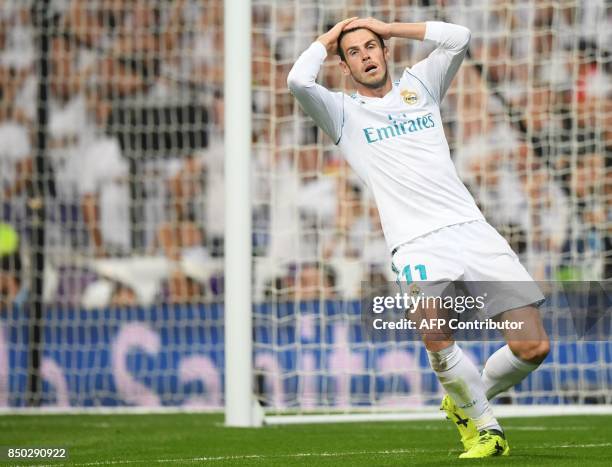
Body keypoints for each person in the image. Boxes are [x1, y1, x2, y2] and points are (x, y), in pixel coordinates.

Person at [287, 17, 550, 459]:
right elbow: (297, 79)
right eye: (353, 53)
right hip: (415, 243)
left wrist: (388, 26)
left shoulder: (421, 85)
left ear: (385, 51)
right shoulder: (342, 113)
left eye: (371, 46)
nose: (366, 55)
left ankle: (467, 400)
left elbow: (460, 37)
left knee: (533, 346)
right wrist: (331, 37)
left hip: (472, 229)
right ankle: (485, 428)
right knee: (434, 330)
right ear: (345, 67)